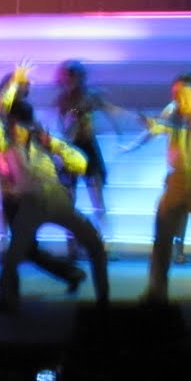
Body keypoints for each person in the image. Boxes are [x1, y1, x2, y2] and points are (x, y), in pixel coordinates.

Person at [0, 64, 87, 292]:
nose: (25, 90)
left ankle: (7, 293)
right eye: (20, 87)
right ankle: (70, 274)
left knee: (20, 245)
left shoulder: (24, 116)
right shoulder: (0, 119)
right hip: (9, 187)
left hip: (24, 188)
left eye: (24, 87)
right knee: (26, 247)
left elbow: (38, 146)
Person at [0, 100, 109, 313]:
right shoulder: (7, 146)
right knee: (12, 258)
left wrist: (54, 145)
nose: (16, 129)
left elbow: (81, 163)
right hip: (30, 204)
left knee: (95, 245)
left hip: (56, 199)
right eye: (13, 124)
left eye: (20, 124)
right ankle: (8, 302)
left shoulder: (44, 142)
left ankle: (103, 301)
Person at [138, 71, 191, 304]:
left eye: (184, 94)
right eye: (176, 94)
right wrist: (151, 128)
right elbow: (157, 128)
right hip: (176, 181)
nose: (179, 99)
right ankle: (156, 291)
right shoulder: (172, 112)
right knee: (162, 238)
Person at [54, 60, 129, 257]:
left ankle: (103, 244)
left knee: (97, 199)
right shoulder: (64, 100)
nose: (70, 81)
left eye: (73, 77)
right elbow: (65, 129)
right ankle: (72, 246)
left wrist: (119, 133)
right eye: (67, 78)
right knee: (70, 200)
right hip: (72, 149)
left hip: (87, 148)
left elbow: (110, 112)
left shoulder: (90, 96)